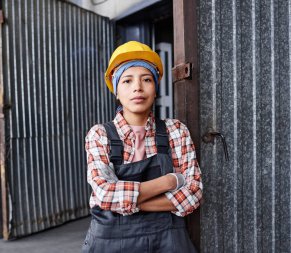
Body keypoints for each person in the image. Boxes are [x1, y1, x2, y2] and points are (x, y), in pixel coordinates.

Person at [82, 41, 203, 253]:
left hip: (168, 241)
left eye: (146, 79)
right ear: (116, 92)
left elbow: (193, 194)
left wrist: (126, 202)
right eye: (127, 81)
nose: (137, 87)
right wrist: (170, 181)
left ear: (155, 88)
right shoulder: (100, 135)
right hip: (110, 243)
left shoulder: (175, 130)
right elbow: (104, 194)